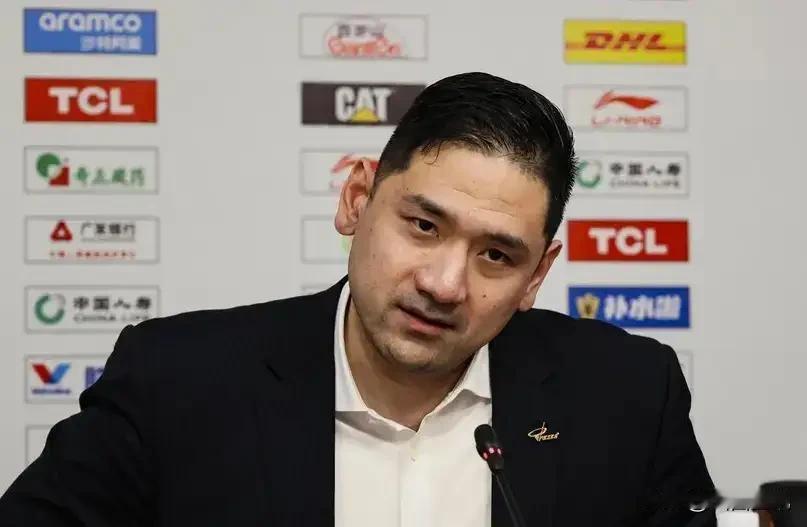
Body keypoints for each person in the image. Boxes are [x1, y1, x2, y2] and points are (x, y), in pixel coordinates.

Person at [0, 72, 715, 526]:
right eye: (423, 225)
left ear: (536, 276)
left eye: (496, 256)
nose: (443, 284)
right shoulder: (177, 380)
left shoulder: (627, 394)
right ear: (356, 200)